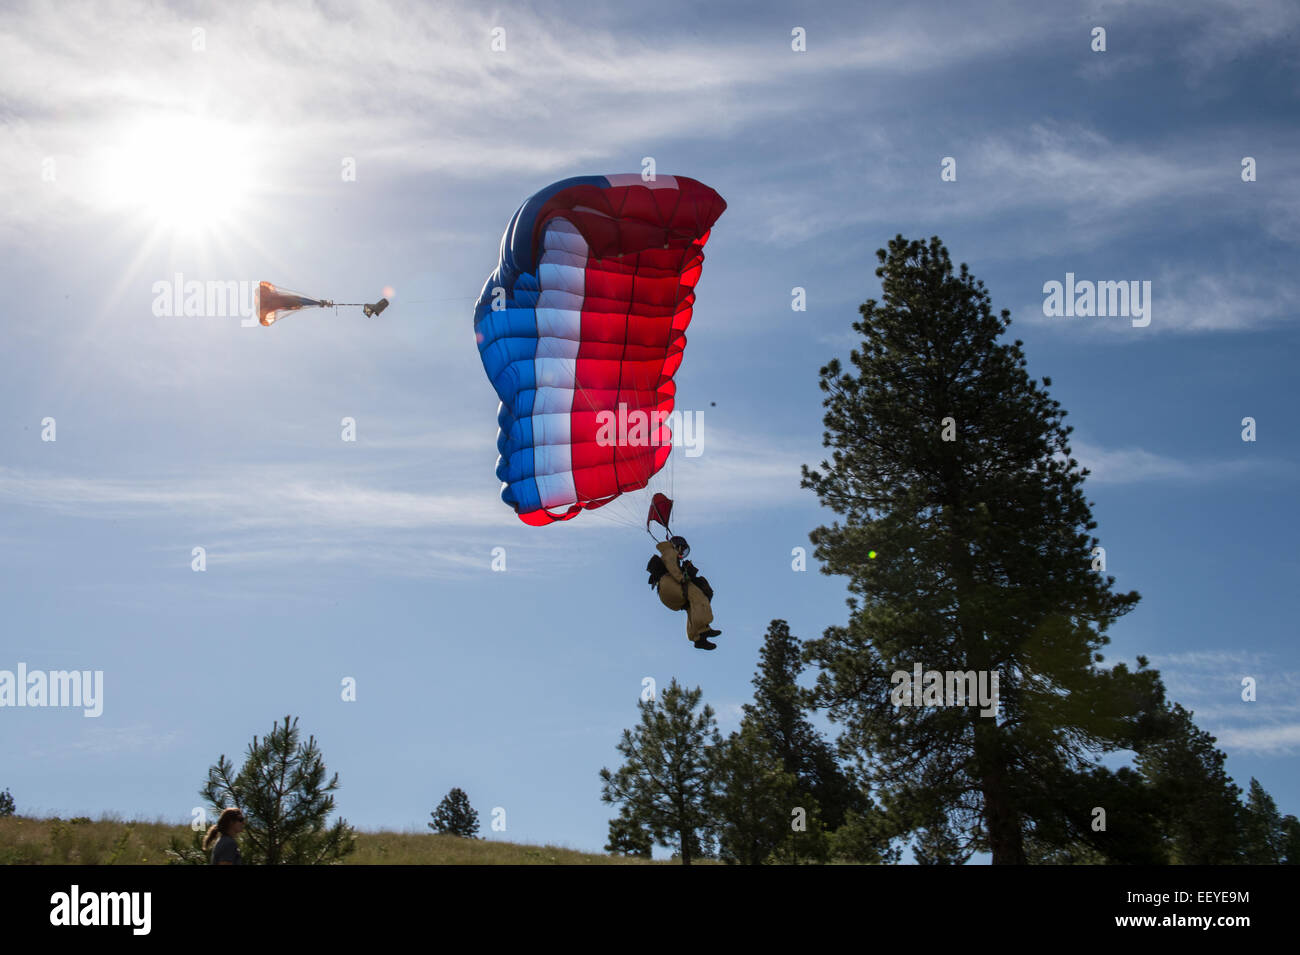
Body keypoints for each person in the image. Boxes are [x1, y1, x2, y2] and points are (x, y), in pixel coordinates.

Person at [647, 535, 721, 650]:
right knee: (698, 595)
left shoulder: (668, 554)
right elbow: (673, 567)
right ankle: (703, 628)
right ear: (679, 546)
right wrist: (683, 577)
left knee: (690, 606)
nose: (682, 554)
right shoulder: (670, 552)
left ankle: (698, 639)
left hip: (666, 593)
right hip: (669, 585)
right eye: (683, 549)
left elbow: (672, 566)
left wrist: (685, 571)